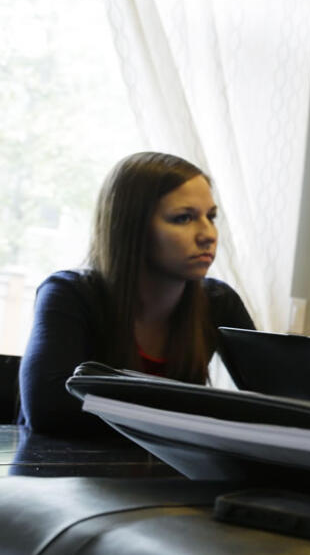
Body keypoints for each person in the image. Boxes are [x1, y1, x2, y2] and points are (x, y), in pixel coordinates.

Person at [19, 152, 254, 436]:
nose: (208, 234)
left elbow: (278, 404)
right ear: (131, 227)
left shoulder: (218, 302)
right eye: (183, 218)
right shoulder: (69, 294)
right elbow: (49, 411)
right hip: (66, 474)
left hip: (163, 476)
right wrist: (192, 417)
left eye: (211, 216)